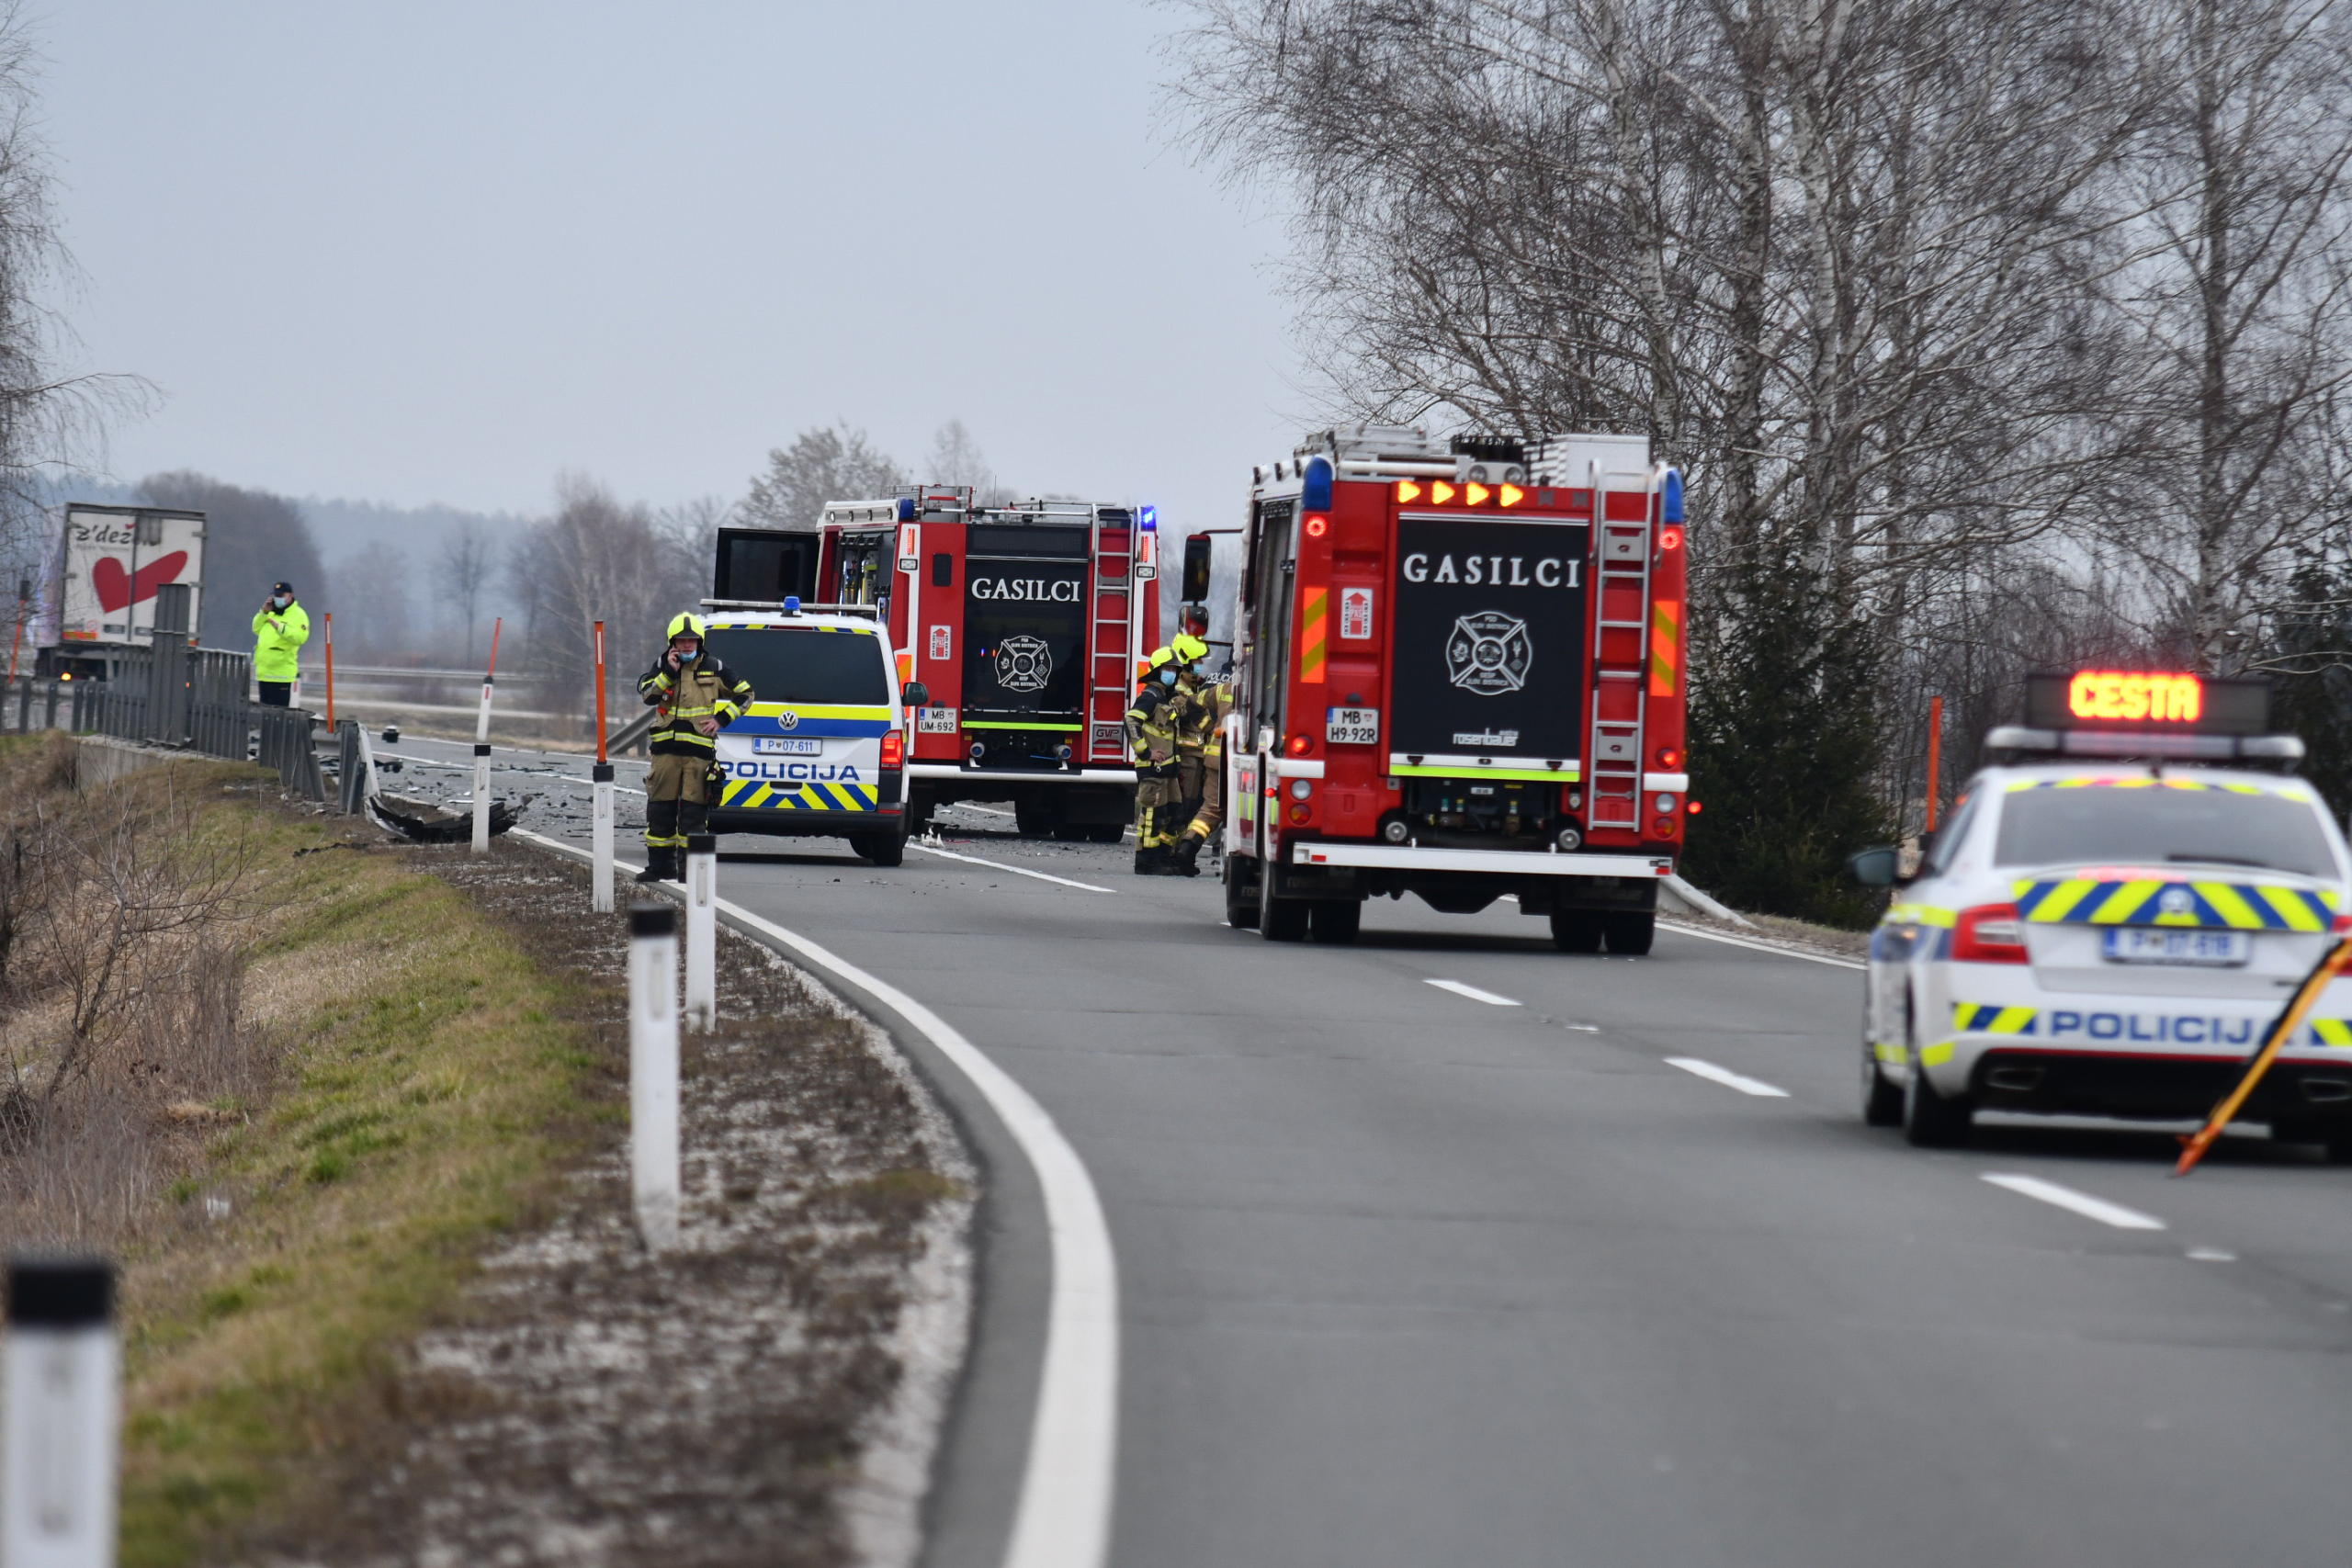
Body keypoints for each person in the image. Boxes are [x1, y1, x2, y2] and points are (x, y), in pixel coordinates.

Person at [636, 613, 754, 883]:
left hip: (698, 758)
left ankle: (690, 873)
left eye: (692, 641)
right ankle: (660, 867)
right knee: (660, 813)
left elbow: (746, 694)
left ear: (700, 642)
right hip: (665, 755)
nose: (687, 646)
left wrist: (722, 719)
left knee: (692, 817)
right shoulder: (662, 665)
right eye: (682, 641)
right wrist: (668, 673)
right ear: (672, 642)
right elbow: (647, 695)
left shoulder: (715, 667)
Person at [1169, 642, 1232, 878]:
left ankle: (1187, 848)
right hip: (1244, 761)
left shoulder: (1223, 688)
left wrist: (1209, 728)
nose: (1199, 667)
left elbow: (1194, 702)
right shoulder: (1265, 688)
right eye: (1196, 663)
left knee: (1210, 810)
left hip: (1215, 758)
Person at [1125, 645, 1185, 874]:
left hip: (1168, 768)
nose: (1172, 672)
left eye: (1174, 669)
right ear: (1158, 671)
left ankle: (1162, 856)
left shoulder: (1166, 697)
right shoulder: (1150, 696)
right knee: (1153, 815)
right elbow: (1131, 721)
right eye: (1168, 668)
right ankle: (1147, 861)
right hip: (1152, 768)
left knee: (1175, 813)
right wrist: (1145, 753)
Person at [251, 581, 309, 706]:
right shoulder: (270, 612)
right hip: (264, 673)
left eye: (281, 595)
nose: (278, 599)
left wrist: (281, 628)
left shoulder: (298, 615)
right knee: (264, 713)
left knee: (278, 715)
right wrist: (263, 612)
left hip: (281, 674)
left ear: (290, 596)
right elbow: (256, 629)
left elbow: (300, 638)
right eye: (276, 595)